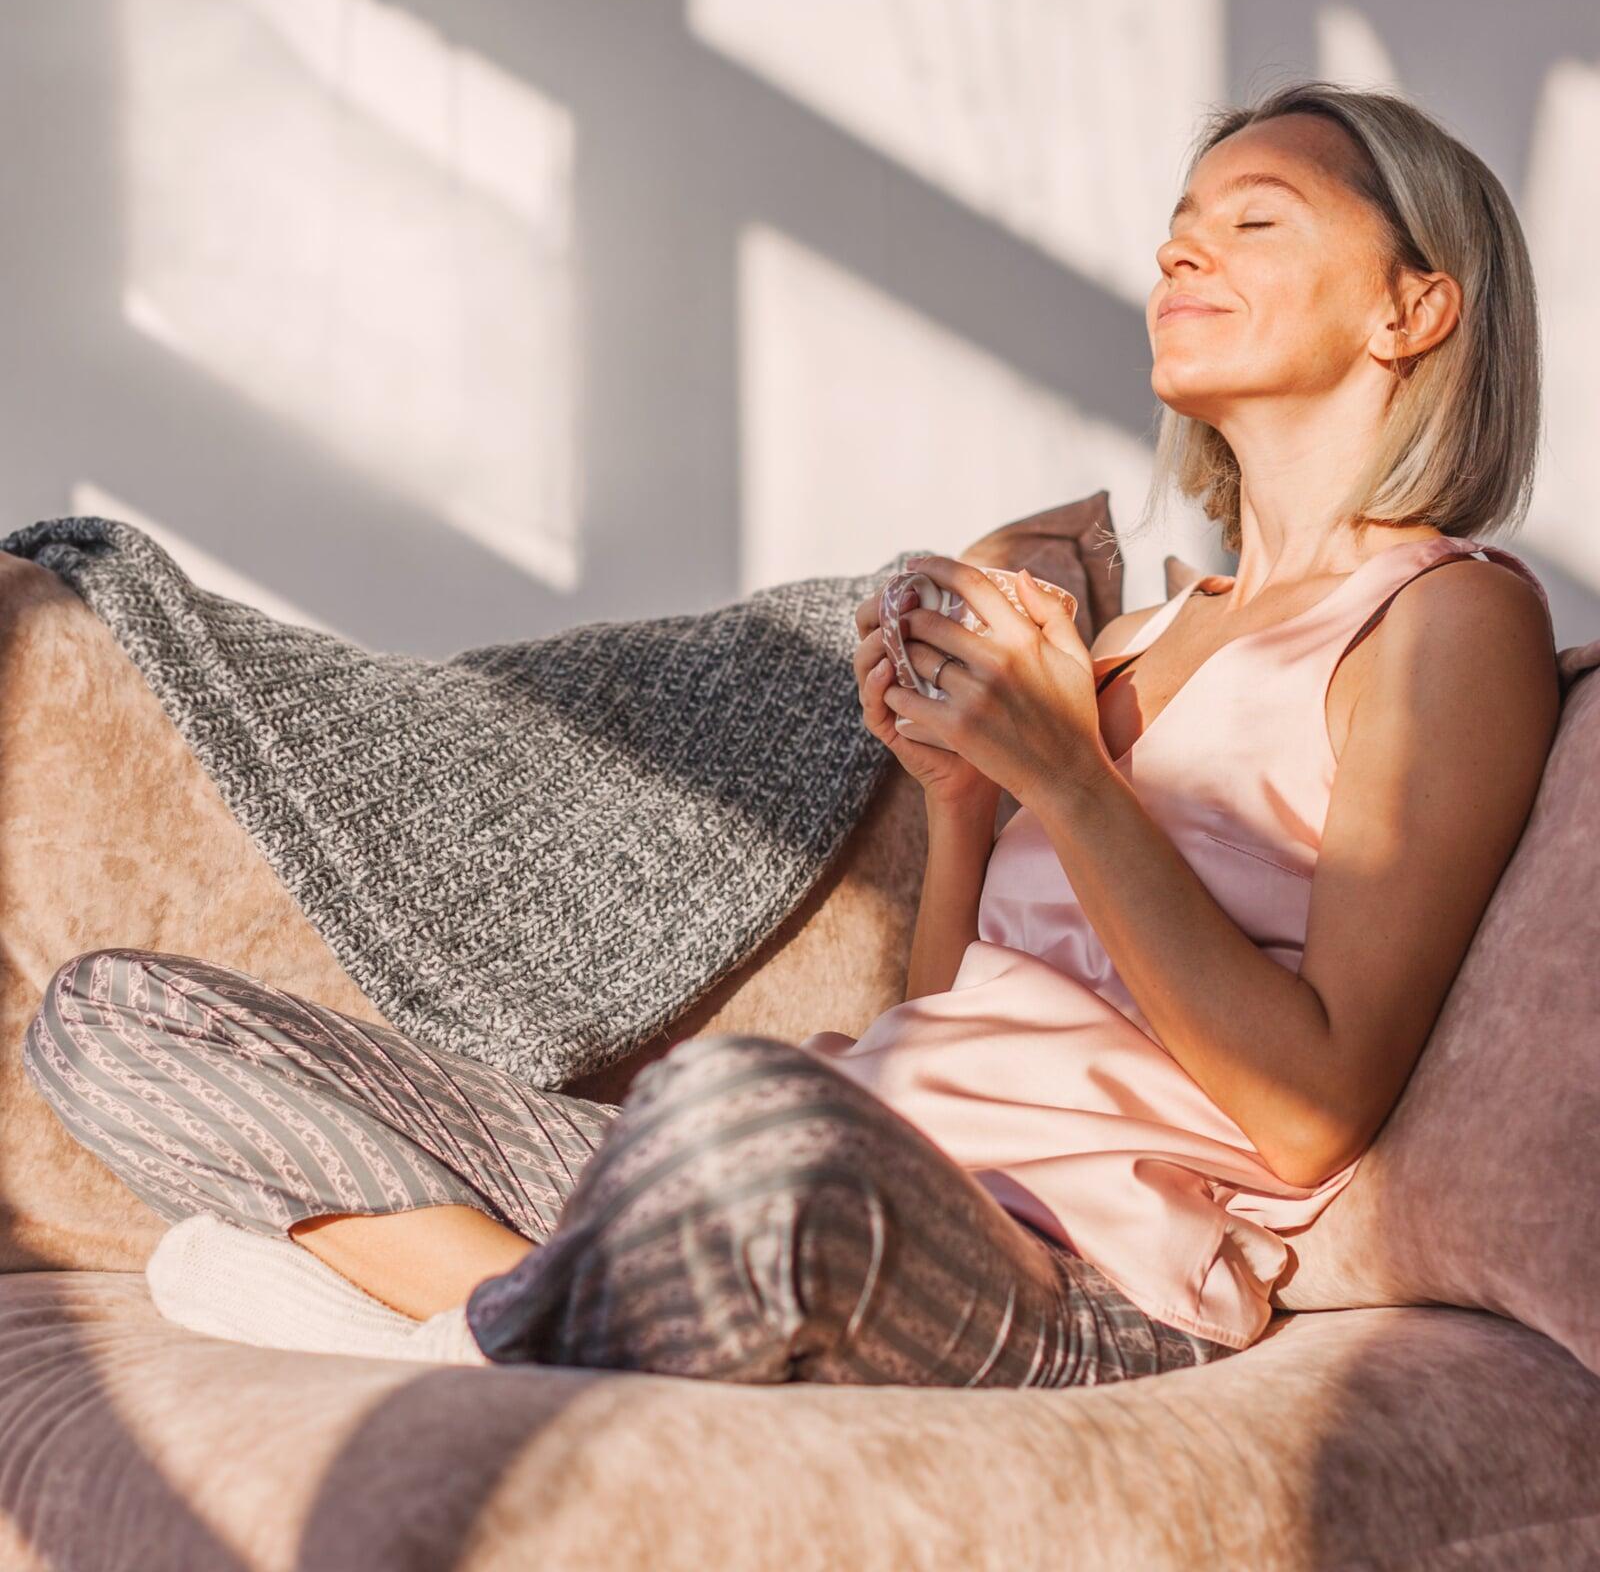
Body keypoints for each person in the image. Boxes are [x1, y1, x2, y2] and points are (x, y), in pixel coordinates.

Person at [24, 79, 1559, 1386]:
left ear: (1413, 304)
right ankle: (551, 1325)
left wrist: (1071, 781)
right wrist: (965, 802)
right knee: (114, 1018)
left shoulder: (1448, 618)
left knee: (738, 1110)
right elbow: (957, 1015)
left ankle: (479, 1343)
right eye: (1180, 218)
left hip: (1070, 1274)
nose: (1181, 244)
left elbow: (1311, 1113)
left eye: (1255, 219)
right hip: (842, 1157)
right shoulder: (1138, 636)